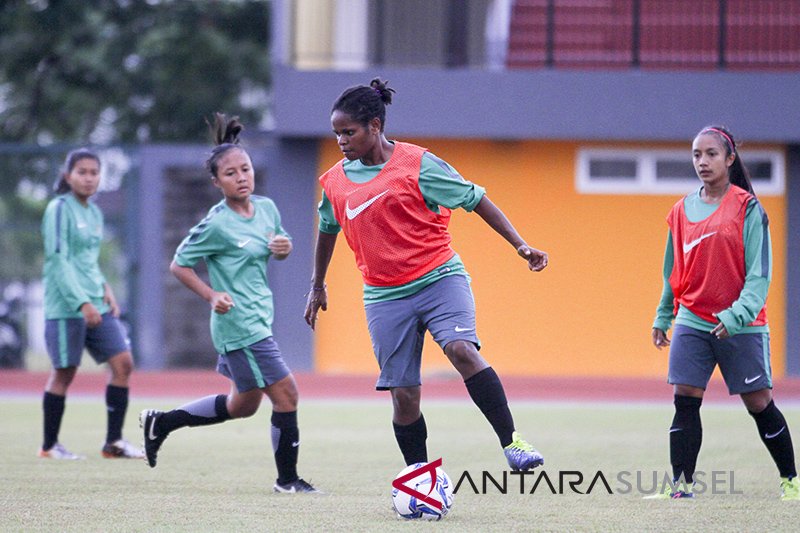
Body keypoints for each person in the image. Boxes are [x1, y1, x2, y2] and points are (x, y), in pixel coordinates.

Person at [303, 78, 549, 471]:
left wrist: (519, 244)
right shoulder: (334, 182)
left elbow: (476, 198)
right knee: (404, 395)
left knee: (461, 350)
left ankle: (513, 443)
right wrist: (317, 285)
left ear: (375, 127)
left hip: (438, 279)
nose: (342, 141)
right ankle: (421, 478)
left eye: (349, 132)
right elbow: (327, 231)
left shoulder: (416, 164)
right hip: (384, 295)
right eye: (336, 134)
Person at [140, 113, 318, 494]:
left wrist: (284, 248)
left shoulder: (267, 209)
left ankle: (162, 422)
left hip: (258, 319)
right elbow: (179, 265)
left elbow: (278, 246)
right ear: (216, 182)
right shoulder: (216, 223)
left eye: (246, 169)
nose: (242, 177)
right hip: (239, 325)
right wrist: (211, 294)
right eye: (231, 173)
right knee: (287, 393)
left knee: (243, 406)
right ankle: (287, 481)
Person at [649, 125, 798, 501]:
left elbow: (759, 276)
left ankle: (790, 482)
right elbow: (674, 270)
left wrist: (735, 316)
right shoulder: (681, 210)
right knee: (685, 398)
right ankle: (681, 488)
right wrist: (664, 315)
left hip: (742, 326)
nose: (702, 161)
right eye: (697, 154)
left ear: (730, 159)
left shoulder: (748, 209)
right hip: (692, 320)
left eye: (711, 154)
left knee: (759, 403)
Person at [40, 148, 144, 460]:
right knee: (65, 372)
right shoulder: (59, 209)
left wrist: (104, 288)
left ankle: (113, 442)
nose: (88, 178)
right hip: (66, 307)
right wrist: (82, 301)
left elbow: (87, 261)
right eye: (81, 172)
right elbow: (59, 261)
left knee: (123, 363)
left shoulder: (95, 213)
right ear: (67, 175)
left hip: (95, 302)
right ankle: (49, 446)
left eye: (93, 172)